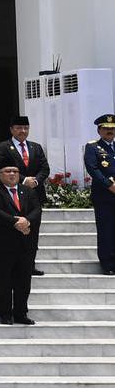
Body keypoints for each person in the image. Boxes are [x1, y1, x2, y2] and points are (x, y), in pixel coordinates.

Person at [0, 116, 50, 275]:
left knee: (33, 231)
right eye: (18, 127)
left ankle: (29, 265)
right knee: (13, 229)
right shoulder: (2, 147)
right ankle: (12, 264)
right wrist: (23, 180)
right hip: (12, 195)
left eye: (25, 128)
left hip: (34, 196)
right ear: (11, 129)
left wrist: (36, 181)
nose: (22, 131)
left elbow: (45, 168)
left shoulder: (36, 147)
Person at [0, 163, 40, 325]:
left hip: (25, 244)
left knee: (23, 281)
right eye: (7, 171)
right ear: (0, 174)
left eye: (15, 171)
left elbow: (37, 209)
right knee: (3, 280)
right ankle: (4, 313)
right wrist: (17, 222)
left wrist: (27, 221)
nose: (12, 174)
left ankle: (21, 313)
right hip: (1, 245)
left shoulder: (28, 191)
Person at [86, 114, 115, 275]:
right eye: (106, 128)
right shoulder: (93, 147)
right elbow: (93, 169)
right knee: (106, 229)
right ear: (99, 130)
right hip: (104, 195)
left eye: (112, 129)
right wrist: (109, 185)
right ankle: (108, 264)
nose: (109, 131)